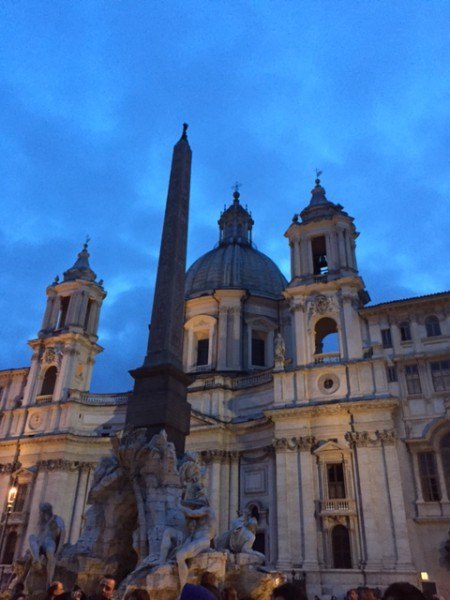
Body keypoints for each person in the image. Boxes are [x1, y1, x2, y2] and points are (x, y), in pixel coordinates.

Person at [28, 503, 65, 588]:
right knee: (31, 537)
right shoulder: (41, 522)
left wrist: (59, 550)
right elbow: (38, 535)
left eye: (42, 512)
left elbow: (62, 535)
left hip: (50, 542)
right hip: (40, 542)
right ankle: (36, 559)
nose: (40, 514)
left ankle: (49, 582)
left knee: (50, 554)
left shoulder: (57, 519)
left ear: (46, 512)